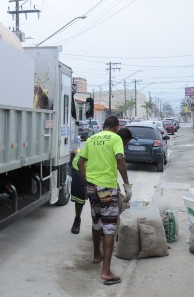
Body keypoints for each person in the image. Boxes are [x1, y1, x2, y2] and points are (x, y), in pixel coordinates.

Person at [77, 116, 131, 286]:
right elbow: (120, 160)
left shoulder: (92, 138)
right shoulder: (116, 138)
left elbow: (80, 162)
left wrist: (87, 183)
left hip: (92, 188)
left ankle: (96, 256)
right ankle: (106, 272)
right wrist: (127, 184)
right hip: (106, 188)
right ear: (115, 127)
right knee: (109, 227)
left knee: (96, 222)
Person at [69, 127, 132, 234]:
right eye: (125, 143)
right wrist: (126, 184)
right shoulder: (114, 141)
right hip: (80, 167)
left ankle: (101, 226)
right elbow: (120, 163)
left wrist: (114, 183)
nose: (125, 146)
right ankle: (77, 219)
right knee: (81, 199)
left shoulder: (114, 144)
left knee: (98, 201)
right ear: (120, 139)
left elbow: (110, 166)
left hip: (94, 172)